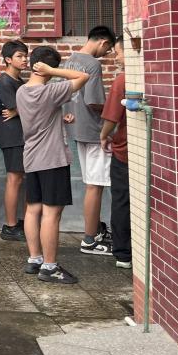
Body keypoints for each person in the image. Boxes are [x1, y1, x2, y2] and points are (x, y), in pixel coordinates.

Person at [18, 46, 90, 285]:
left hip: (31, 157)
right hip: (52, 159)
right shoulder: (50, 91)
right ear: (46, 67)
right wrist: (53, 71)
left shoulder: (21, 91)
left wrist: (59, 118)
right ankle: (49, 267)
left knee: (32, 209)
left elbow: (40, 118)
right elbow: (83, 76)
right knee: (51, 213)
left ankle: (35, 259)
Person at [63, 25, 117, 256]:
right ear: (103, 42)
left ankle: (95, 231)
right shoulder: (93, 64)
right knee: (95, 186)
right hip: (94, 131)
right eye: (108, 49)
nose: (107, 54)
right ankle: (89, 239)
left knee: (91, 183)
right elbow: (94, 101)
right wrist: (114, 111)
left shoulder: (70, 60)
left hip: (76, 128)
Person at [100, 40, 132, 269]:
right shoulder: (152, 74)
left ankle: (123, 254)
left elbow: (112, 117)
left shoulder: (122, 80)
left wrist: (103, 135)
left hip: (124, 151)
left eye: (118, 52)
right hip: (148, 152)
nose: (115, 57)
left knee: (121, 201)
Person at [0, 40, 30, 242]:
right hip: (12, 137)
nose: (24, 59)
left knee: (20, 179)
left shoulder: (19, 81)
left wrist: (18, 111)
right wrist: (18, 110)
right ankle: (10, 226)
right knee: (14, 179)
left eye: (25, 56)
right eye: (20, 56)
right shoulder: (5, 82)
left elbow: (22, 107)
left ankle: (23, 222)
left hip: (20, 135)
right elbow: (14, 107)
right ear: (8, 59)